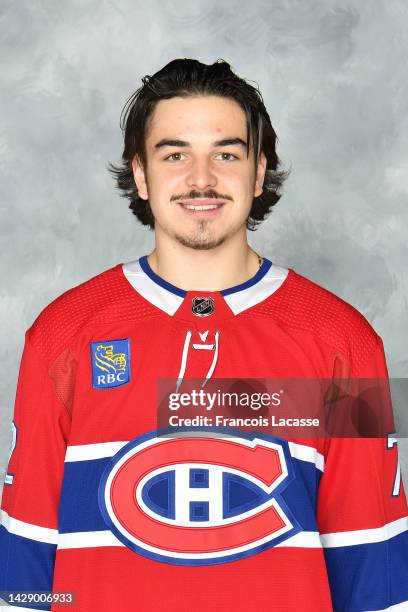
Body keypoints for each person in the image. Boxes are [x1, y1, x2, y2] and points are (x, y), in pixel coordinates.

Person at [0, 58, 407, 612]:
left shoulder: (344, 341)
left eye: (226, 153)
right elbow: (24, 569)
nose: (201, 179)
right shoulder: (63, 335)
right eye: (175, 155)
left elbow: (374, 574)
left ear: (259, 172)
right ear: (140, 174)